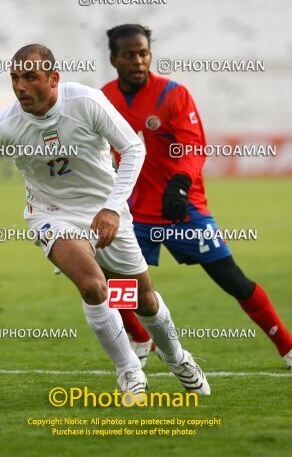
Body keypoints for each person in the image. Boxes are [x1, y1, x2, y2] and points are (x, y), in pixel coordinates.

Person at [0, 44, 211, 401]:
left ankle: (178, 358)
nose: (20, 86)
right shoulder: (5, 124)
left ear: (54, 78)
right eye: (15, 78)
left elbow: (134, 149)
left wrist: (111, 207)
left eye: (30, 77)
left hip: (107, 210)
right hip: (52, 215)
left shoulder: (85, 102)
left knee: (142, 299)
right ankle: (129, 371)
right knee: (93, 285)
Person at [102, 24, 292, 370]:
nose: (139, 61)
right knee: (112, 284)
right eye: (129, 55)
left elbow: (193, 145)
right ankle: (141, 339)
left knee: (232, 279)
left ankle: (287, 346)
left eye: (143, 53)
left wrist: (180, 182)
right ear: (113, 58)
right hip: (133, 213)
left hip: (182, 209)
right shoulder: (104, 99)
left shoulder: (173, 95)